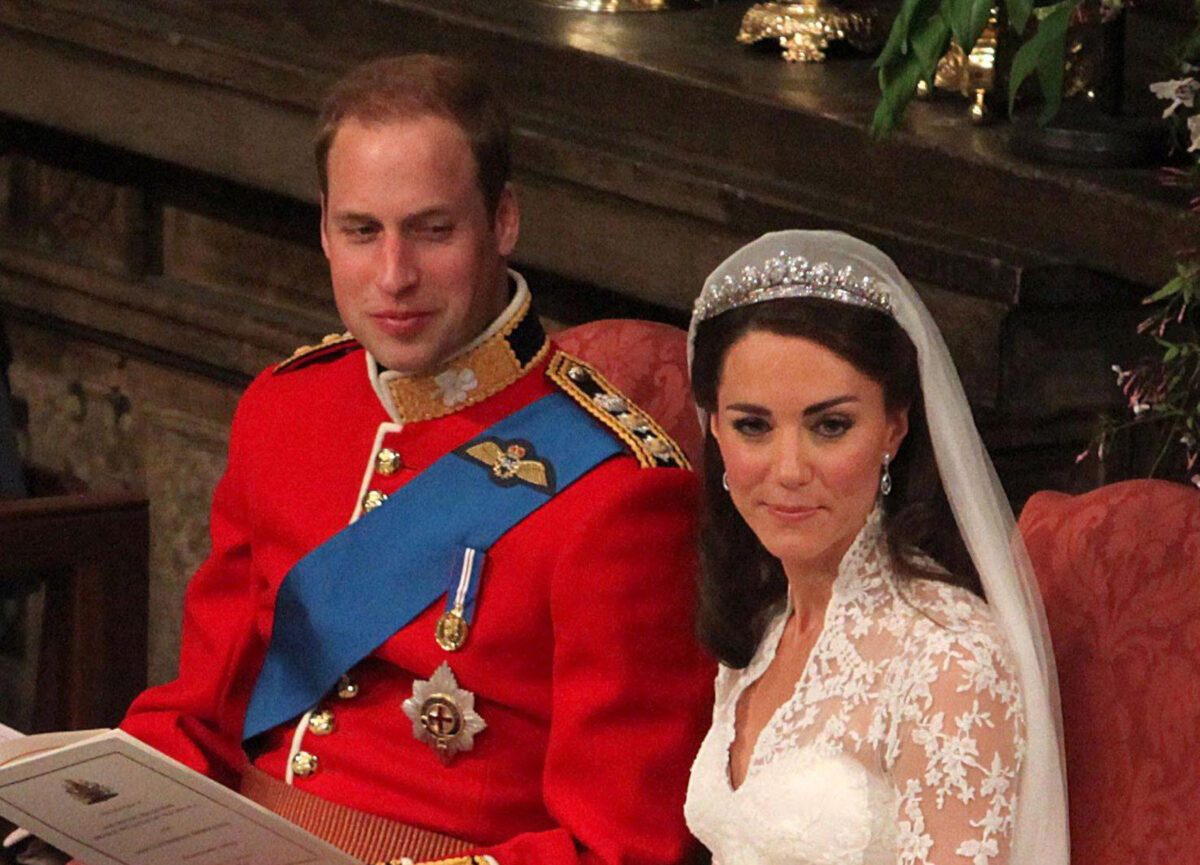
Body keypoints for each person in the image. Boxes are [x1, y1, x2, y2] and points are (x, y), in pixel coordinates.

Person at [117, 54, 714, 865]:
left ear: (503, 221)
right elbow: (197, 713)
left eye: (433, 230)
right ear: (324, 229)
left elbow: (620, 848)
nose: (394, 276)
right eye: (362, 231)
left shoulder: (619, 487)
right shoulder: (285, 409)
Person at [682, 231, 1069, 865]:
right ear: (716, 430)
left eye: (830, 426)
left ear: (894, 427)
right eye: (753, 426)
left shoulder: (950, 659)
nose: (788, 469)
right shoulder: (767, 622)